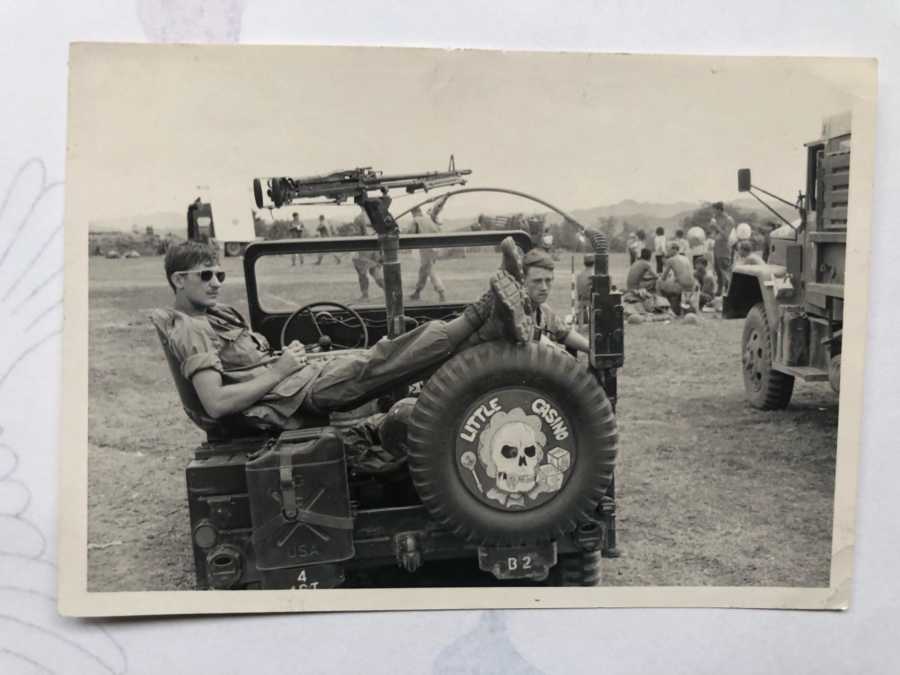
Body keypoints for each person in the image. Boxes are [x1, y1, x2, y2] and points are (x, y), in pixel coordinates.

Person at [153, 240, 530, 434]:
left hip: (296, 379)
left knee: (386, 355)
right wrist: (280, 370)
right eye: (206, 275)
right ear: (178, 280)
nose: (216, 282)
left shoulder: (211, 314)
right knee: (383, 359)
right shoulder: (190, 329)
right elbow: (216, 403)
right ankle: (482, 312)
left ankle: (491, 327)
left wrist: (285, 362)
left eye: (220, 274)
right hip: (294, 396)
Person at [408, 205, 447, 303]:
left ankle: (441, 291)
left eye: (412, 213)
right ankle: (417, 293)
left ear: (414, 212)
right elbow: (438, 230)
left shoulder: (416, 220)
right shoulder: (428, 219)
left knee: (429, 270)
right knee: (423, 270)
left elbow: (410, 234)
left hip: (426, 248)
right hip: (435, 248)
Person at [350, 210, 384, 301]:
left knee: (362, 272)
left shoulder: (359, 218)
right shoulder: (377, 216)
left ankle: (365, 295)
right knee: (375, 271)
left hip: (364, 249)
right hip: (376, 248)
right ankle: (388, 291)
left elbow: (356, 235)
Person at [656, 242, 694, 316]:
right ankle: (674, 305)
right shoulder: (685, 258)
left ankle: (661, 307)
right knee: (672, 283)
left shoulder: (671, 260)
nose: (667, 251)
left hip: (681, 287)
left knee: (658, 282)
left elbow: (663, 278)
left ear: (674, 249)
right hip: (691, 286)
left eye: (668, 249)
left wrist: (660, 276)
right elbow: (685, 274)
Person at [711, 222, 732, 296]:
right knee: (719, 274)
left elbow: (726, 236)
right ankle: (719, 291)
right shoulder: (717, 235)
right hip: (717, 256)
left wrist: (717, 226)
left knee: (725, 274)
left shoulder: (724, 233)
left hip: (723, 256)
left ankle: (729, 290)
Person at [575, 253, 595, 326]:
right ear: (594, 262)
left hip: (581, 299)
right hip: (591, 299)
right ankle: (593, 325)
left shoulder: (580, 274)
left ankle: (580, 326)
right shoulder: (594, 274)